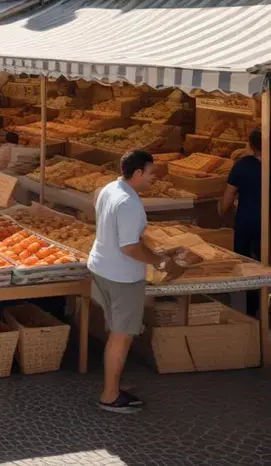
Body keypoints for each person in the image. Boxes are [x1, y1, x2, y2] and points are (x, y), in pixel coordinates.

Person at [90, 150, 184, 413]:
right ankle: (109, 395)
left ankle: (114, 382)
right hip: (122, 276)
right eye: (151, 173)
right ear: (139, 173)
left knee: (115, 332)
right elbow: (130, 247)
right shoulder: (129, 203)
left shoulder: (110, 188)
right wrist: (159, 261)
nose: (154, 178)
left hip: (101, 267)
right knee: (122, 335)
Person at [220, 128, 263, 316]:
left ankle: (251, 310)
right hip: (266, 224)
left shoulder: (242, 166)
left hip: (246, 221)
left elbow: (228, 198)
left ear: (251, 145)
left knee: (247, 266)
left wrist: (221, 211)